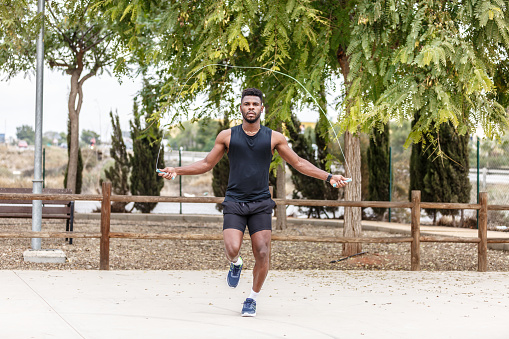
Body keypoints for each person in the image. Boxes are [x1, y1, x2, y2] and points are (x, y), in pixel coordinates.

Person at [158, 88, 349, 317]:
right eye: (246, 104)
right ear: (241, 107)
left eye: (254, 104)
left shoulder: (274, 138)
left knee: (262, 251)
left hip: (260, 202)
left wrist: (329, 177)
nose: (251, 107)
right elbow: (207, 163)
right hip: (235, 201)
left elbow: (298, 163)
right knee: (232, 249)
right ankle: (236, 264)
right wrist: (176, 170)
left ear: (261, 109)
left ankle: (252, 298)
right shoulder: (227, 136)